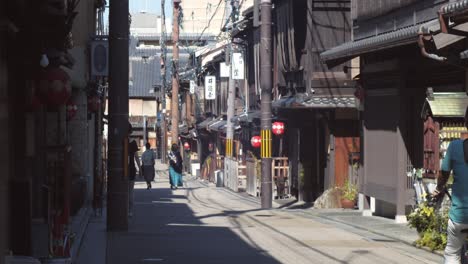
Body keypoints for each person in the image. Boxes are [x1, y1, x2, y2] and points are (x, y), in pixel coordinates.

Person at [433, 106, 468, 264]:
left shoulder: (454, 147)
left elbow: (444, 174)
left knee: (452, 253)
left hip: (460, 216)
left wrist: (439, 188)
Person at [128, 139, 140, 217]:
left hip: (121, 169)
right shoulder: (133, 143)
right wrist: (140, 169)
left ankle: (125, 209)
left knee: (123, 190)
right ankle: (130, 210)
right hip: (131, 169)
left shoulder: (120, 140)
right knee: (130, 191)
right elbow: (136, 157)